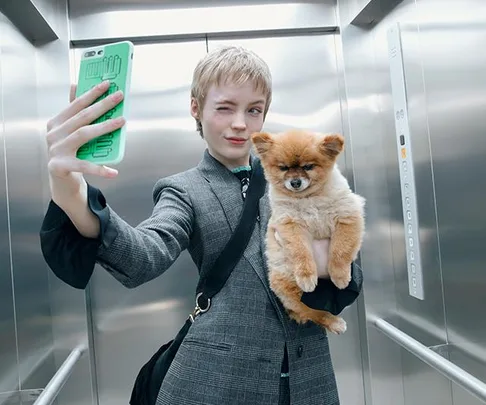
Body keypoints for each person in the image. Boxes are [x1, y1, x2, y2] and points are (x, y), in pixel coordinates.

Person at [40, 45, 361, 405]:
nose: (240, 123)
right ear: (196, 107)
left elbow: (350, 271)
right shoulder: (184, 189)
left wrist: (326, 260)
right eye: (225, 107)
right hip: (215, 381)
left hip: (308, 380)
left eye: (254, 110)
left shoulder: (301, 174)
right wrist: (71, 192)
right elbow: (143, 256)